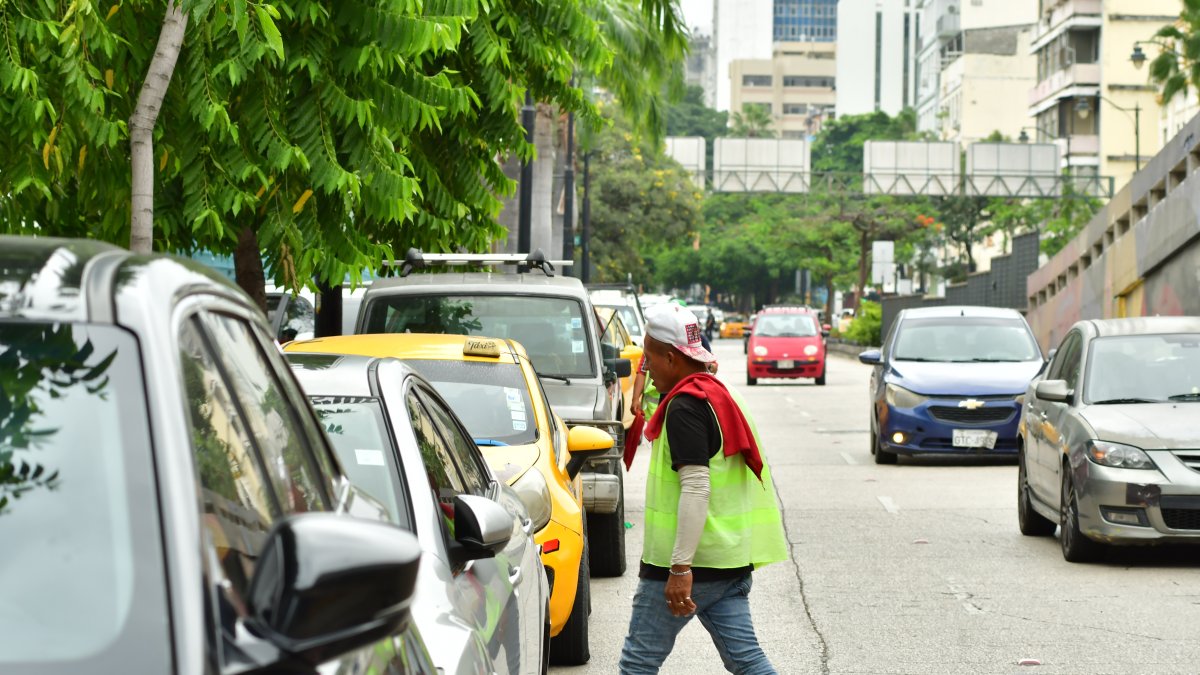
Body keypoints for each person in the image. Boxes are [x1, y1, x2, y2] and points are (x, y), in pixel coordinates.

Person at [618, 304, 788, 675]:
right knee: (747, 660)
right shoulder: (721, 395)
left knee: (637, 664)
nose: (646, 371)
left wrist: (680, 569)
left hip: (688, 566)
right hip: (729, 561)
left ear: (671, 356)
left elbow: (696, 488)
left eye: (649, 360)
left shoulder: (685, 407)